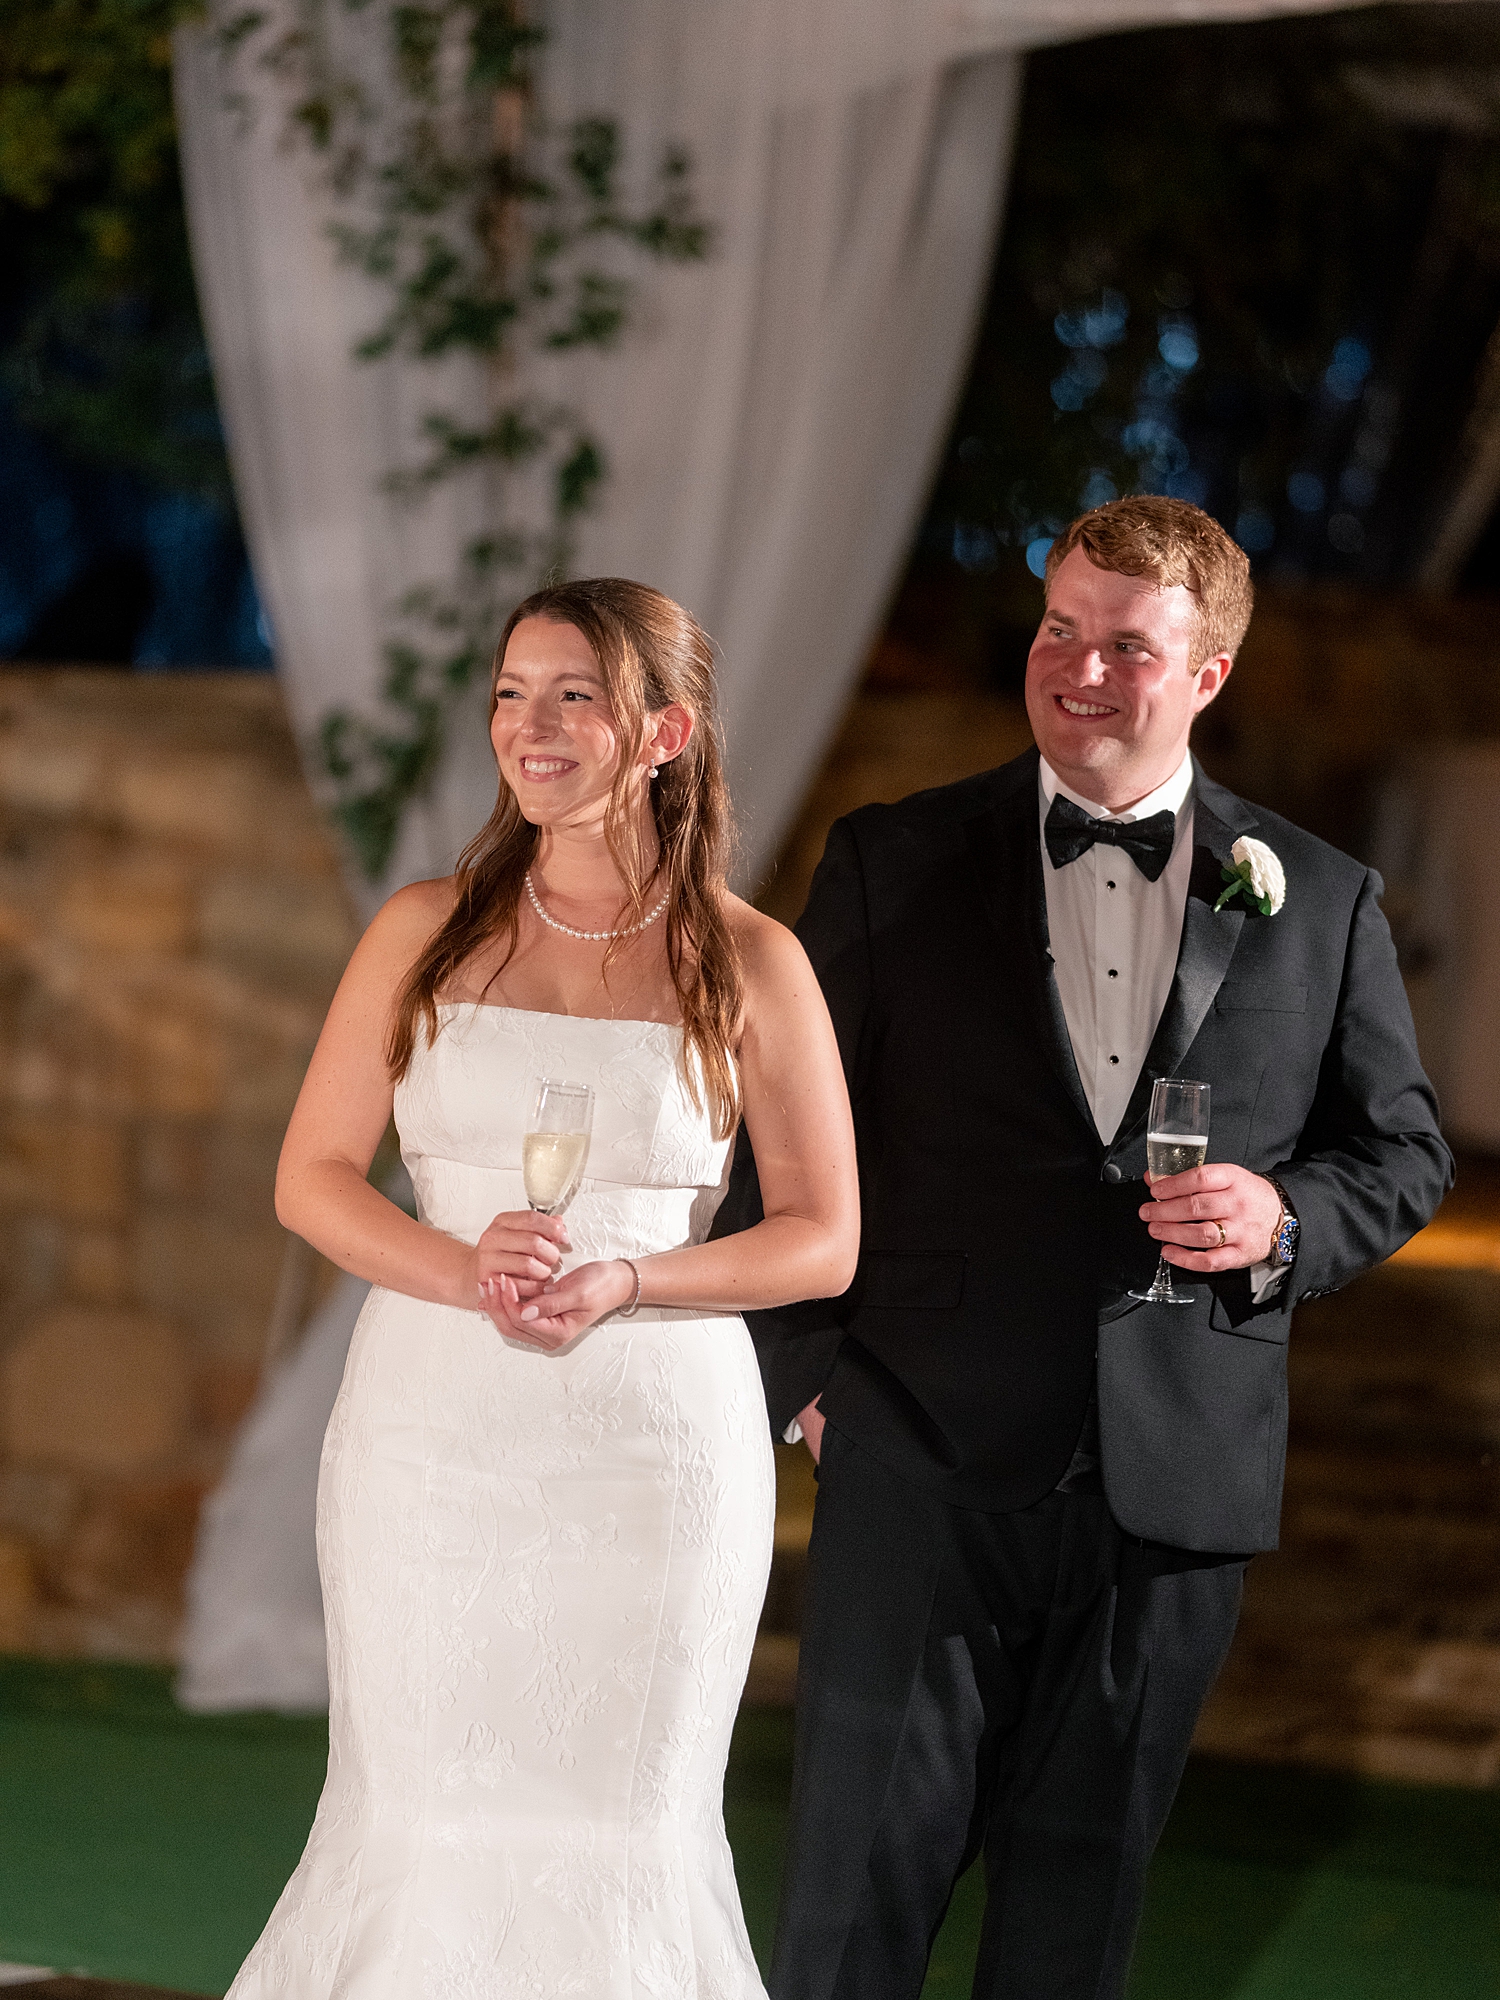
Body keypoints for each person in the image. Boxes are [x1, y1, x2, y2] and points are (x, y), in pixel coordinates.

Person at [728, 496, 1453, 2000]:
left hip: (1174, 1480)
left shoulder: (1319, 898)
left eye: (1128, 646)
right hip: (920, 1447)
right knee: (851, 1905)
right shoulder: (894, 860)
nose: (1080, 668)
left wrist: (1285, 1220)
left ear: (1208, 674)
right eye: (1062, 630)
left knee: (1074, 1926)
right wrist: (807, 1381)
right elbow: (775, 1142)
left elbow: (1406, 1152)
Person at [227, 577, 858, 1999]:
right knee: (421, 1809)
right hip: (434, 1431)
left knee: (626, 1817)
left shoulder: (754, 960)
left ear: (665, 732)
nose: (533, 724)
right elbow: (313, 1175)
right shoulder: (423, 929)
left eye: (576, 693)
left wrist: (634, 1275)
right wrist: (458, 1263)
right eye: (513, 693)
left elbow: (823, 1238)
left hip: (659, 1442)